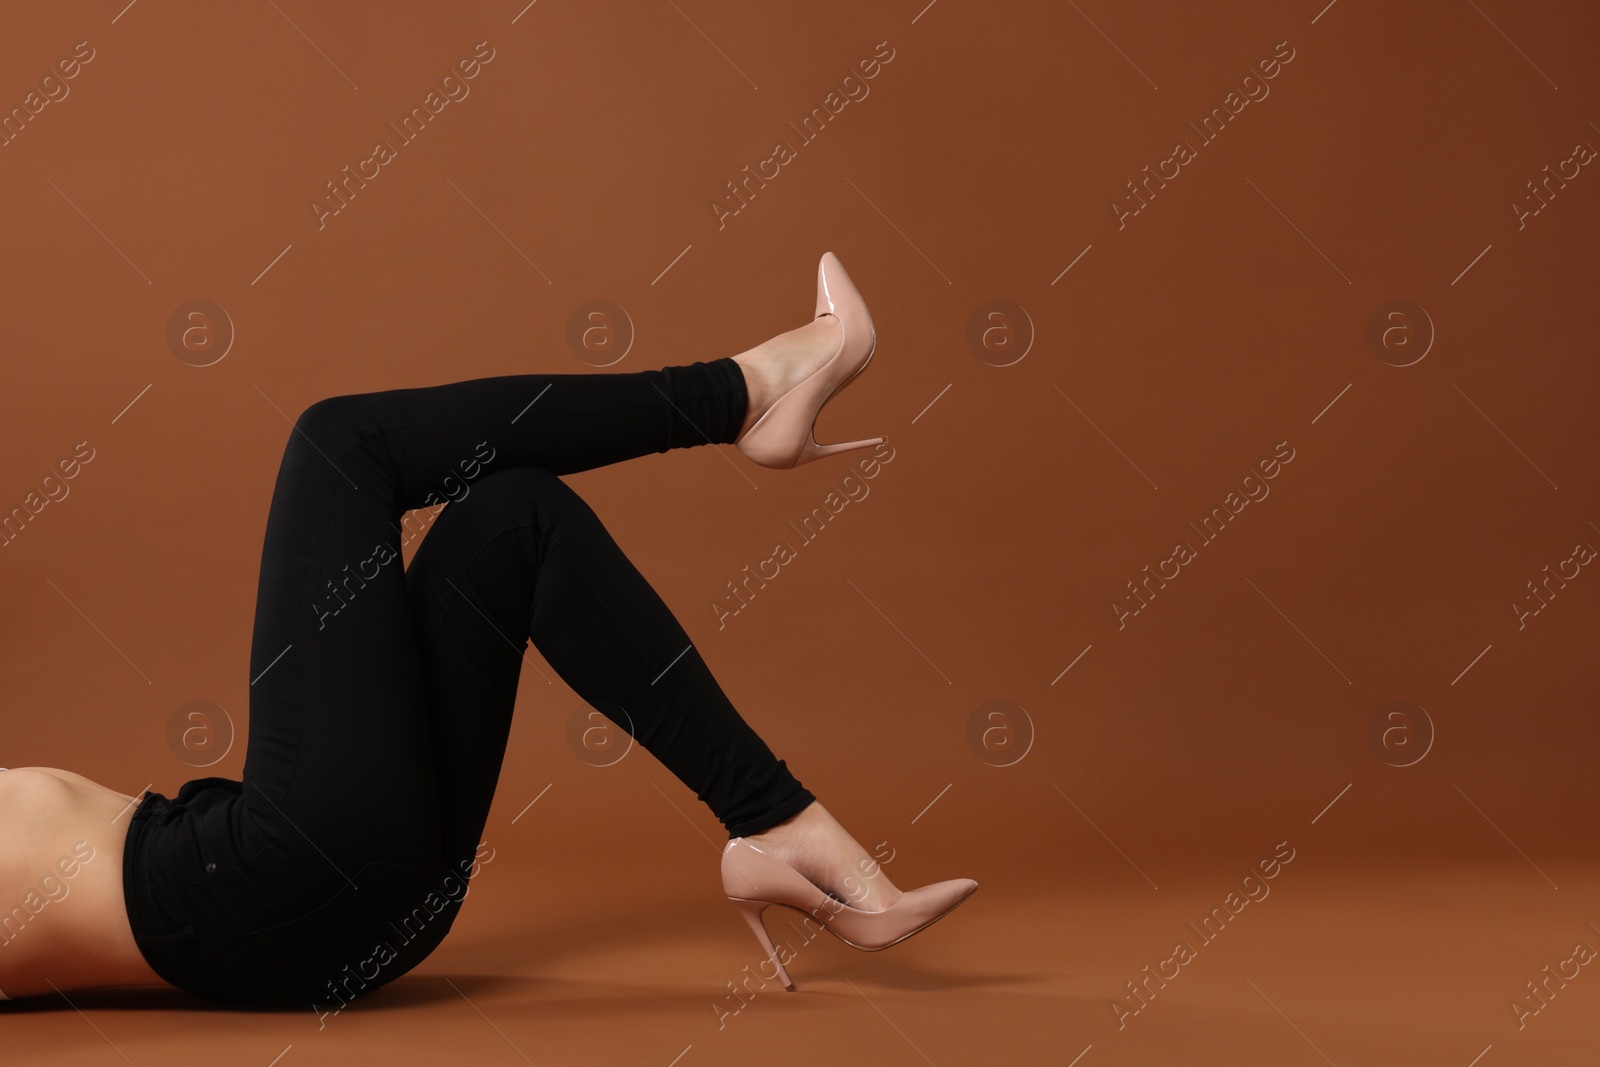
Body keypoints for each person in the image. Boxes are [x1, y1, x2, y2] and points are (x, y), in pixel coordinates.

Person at [0, 252, 977, 1008]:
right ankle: (747, 391)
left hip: (332, 882)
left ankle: (782, 826)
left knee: (514, 520)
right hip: (280, 879)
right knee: (339, 445)